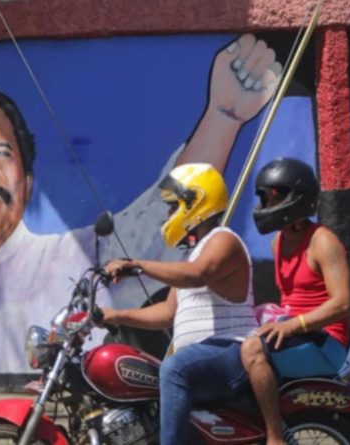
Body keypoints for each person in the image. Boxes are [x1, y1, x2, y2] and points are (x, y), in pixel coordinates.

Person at [0, 33, 284, 374]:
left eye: (2, 154)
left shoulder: (70, 258)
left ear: (27, 180)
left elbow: (152, 223)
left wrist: (222, 117)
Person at [101, 163, 259, 445]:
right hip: (203, 358)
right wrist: (115, 315)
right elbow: (166, 313)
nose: (168, 215)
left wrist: (138, 265)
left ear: (196, 202)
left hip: (231, 349)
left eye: (174, 207)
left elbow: (199, 276)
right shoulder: (191, 256)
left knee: (174, 368)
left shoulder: (223, 240)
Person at [240, 158, 350, 445]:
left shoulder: (323, 241)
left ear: (295, 198)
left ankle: (275, 436)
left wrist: (292, 327)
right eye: (263, 197)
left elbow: (342, 303)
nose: (265, 204)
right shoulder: (278, 242)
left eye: (271, 197)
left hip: (325, 343)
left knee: (253, 350)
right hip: (297, 335)